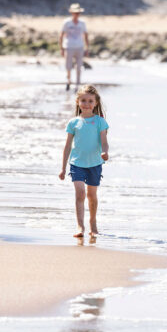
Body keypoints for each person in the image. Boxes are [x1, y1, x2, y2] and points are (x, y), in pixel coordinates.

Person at [59, 85, 109, 238]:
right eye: (83, 101)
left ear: (95, 103)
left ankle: (93, 223)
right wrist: (62, 168)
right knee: (80, 193)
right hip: (77, 163)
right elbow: (67, 146)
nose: (86, 104)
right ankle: (80, 226)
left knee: (91, 196)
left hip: (94, 163)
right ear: (78, 102)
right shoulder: (73, 123)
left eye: (90, 101)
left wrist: (105, 152)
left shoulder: (100, 122)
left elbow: (104, 141)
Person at [59, 3, 89, 91]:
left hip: (80, 46)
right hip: (69, 46)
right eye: (75, 12)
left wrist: (87, 48)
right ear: (72, 13)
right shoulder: (67, 22)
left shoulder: (82, 23)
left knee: (79, 66)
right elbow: (61, 35)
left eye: (78, 13)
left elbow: (86, 35)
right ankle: (68, 81)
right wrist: (61, 48)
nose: (77, 14)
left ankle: (78, 84)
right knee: (68, 66)